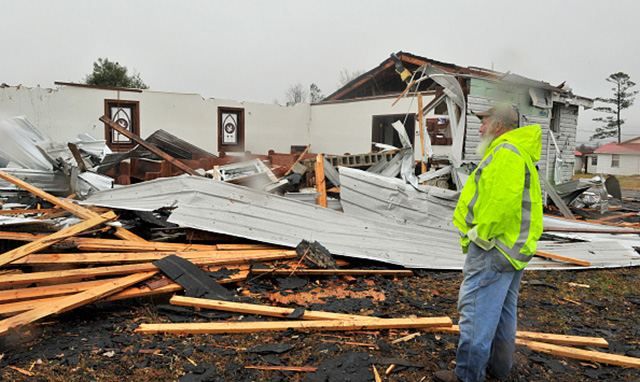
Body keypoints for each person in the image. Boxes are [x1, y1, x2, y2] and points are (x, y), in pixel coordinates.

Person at [434, 104, 543, 382]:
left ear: (498, 125)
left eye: (484, 122)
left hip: (493, 248)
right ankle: (499, 368)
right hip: (512, 249)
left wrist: (479, 237)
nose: (480, 128)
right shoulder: (520, 152)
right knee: (504, 312)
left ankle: (468, 376)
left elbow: (499, 203)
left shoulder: (505, 152)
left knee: (475, 312)